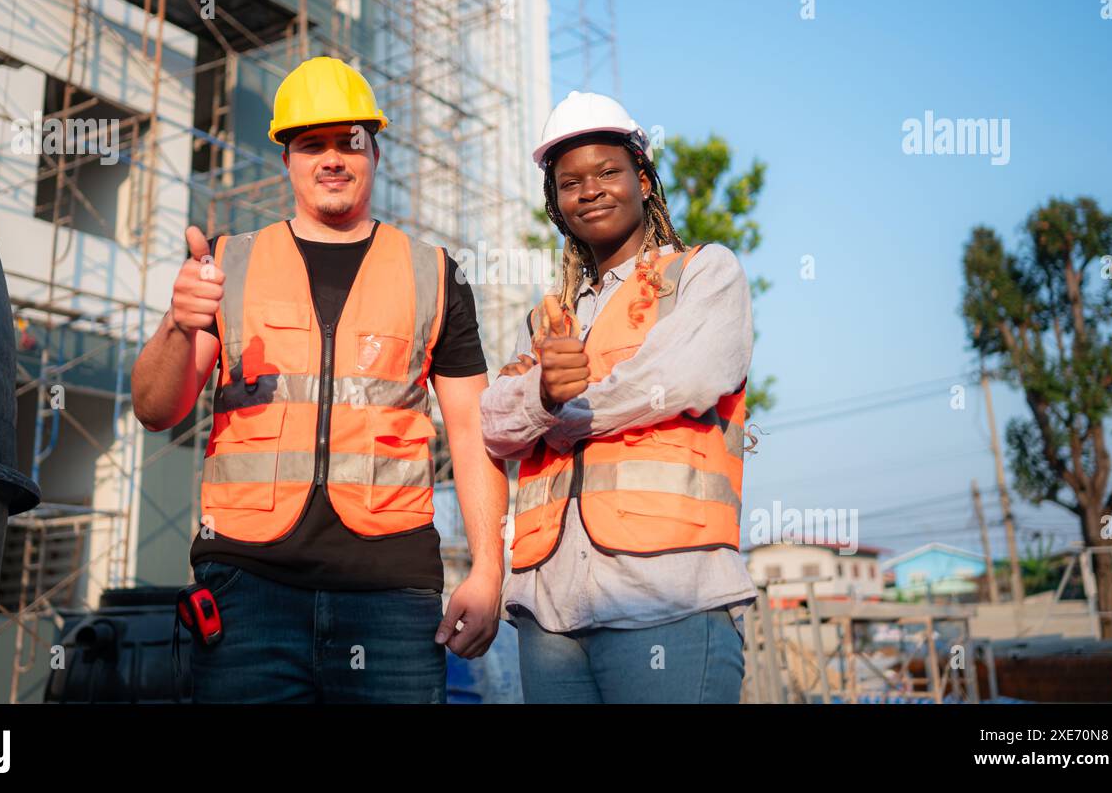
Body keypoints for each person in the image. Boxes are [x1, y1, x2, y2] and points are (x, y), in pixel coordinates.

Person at [131, 56, 506, 703]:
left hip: (392, 594)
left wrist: (488, 571)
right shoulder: (226, 264)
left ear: (375, 152)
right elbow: (155, 409)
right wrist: (176, 324)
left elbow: (472, 433)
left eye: (348, 141)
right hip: (247, 589)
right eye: (312, 144)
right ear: (287, 159)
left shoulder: (435, 275)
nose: (331, 158)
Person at [480, 90, 757, 703]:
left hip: (668, 595)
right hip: (548, 612)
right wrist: (540, 394)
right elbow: (495, 424)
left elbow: (684, 376)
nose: (592, 190)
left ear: (645, 181)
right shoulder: (549, 318)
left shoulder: (701, 274)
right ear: (556, 205)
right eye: (571, 183)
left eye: (610, 171)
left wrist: (557, 411)